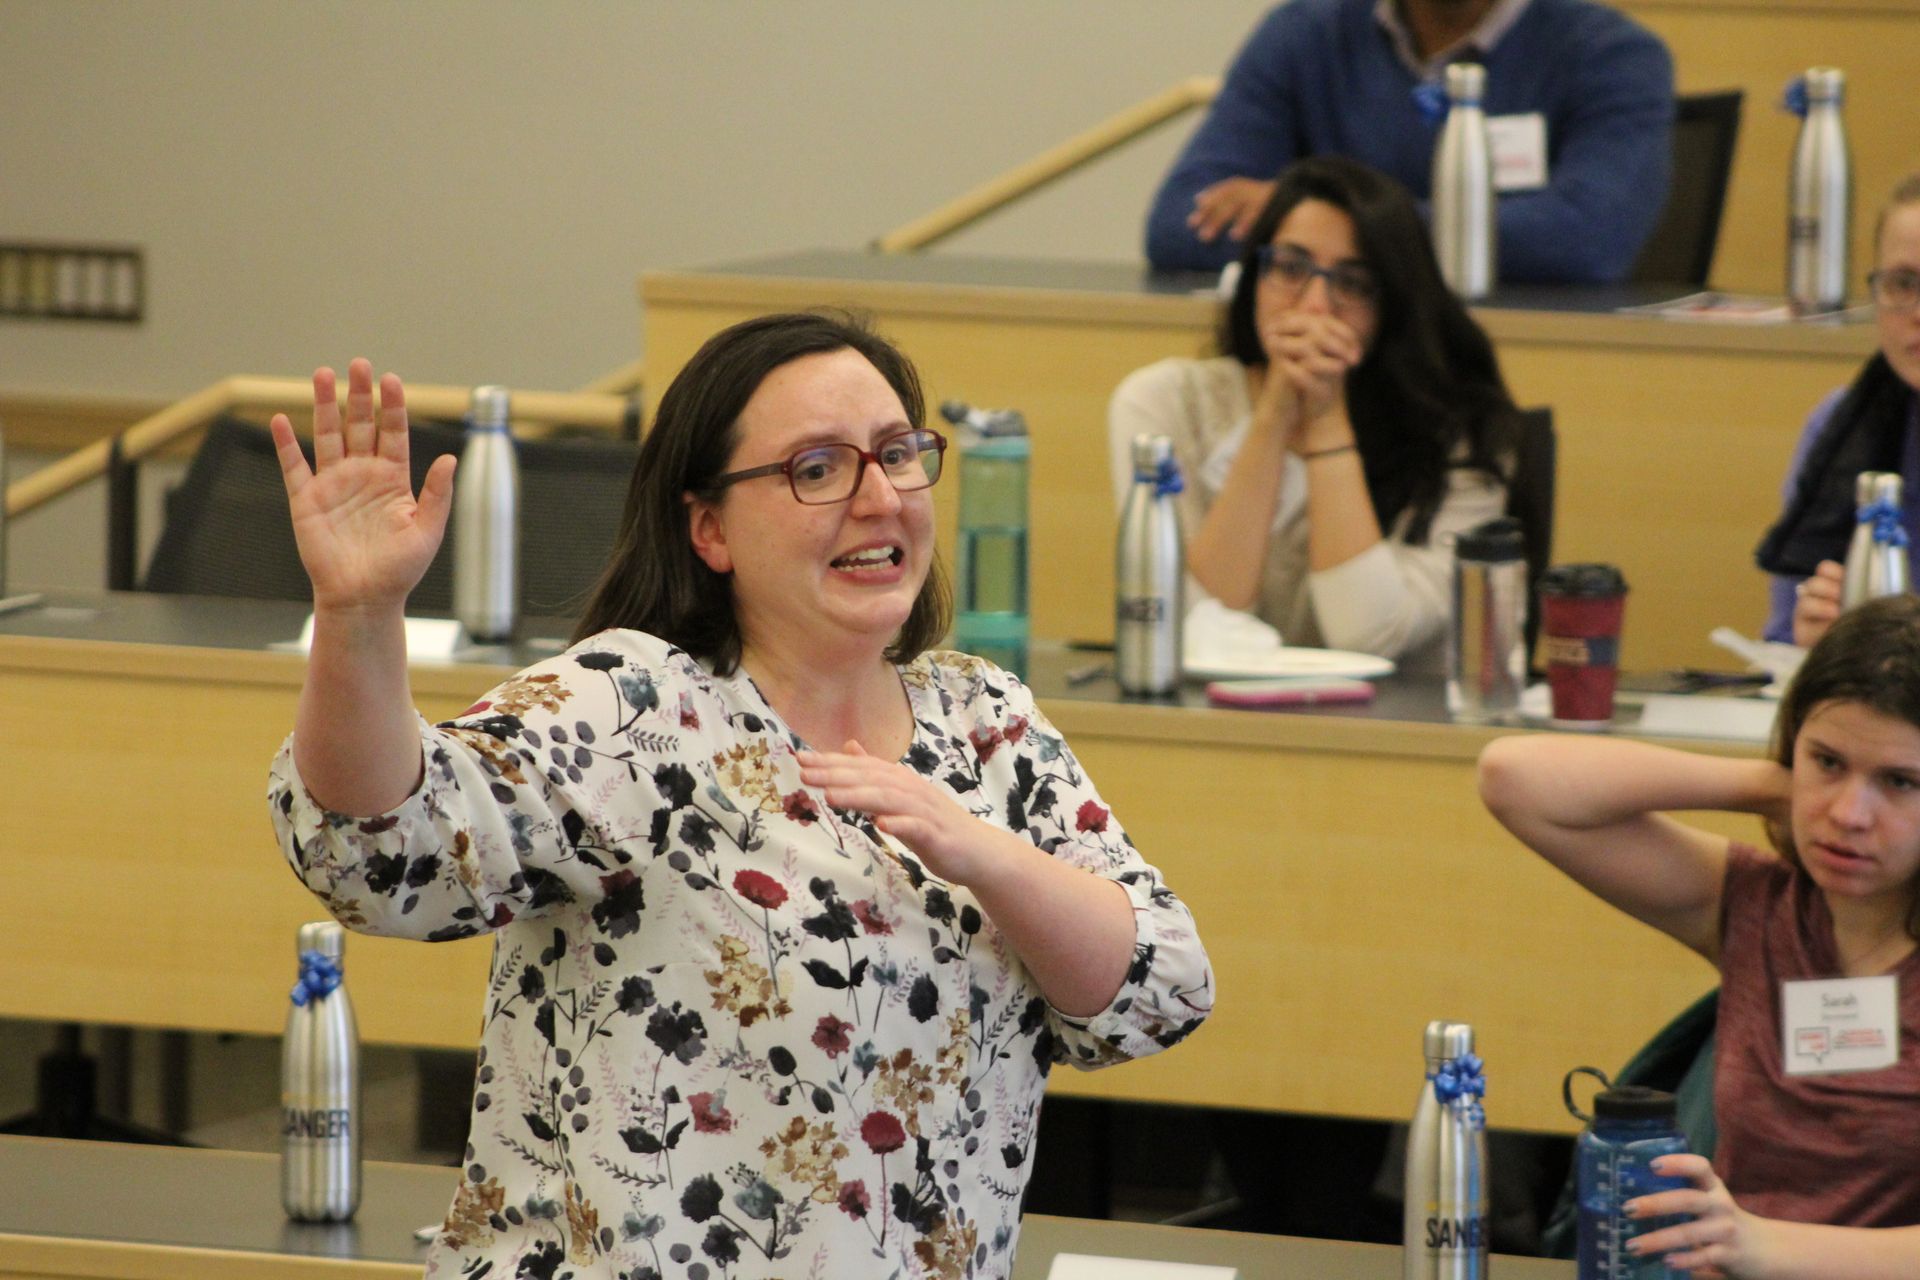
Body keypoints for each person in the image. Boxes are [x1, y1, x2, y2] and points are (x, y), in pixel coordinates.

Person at [264, 314, 1213, 1278]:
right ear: (708, 527)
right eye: (817, 469)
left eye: (897, 454)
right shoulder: (639, 708)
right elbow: (379, 854)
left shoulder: (985, 719)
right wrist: (358, 616)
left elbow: (1160, 990)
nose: (880, 497)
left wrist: (982, 853)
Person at [1478, 594, 1920, 1277]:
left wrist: (1756, 1244)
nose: (1849, 815)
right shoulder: (1760, 905)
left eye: (1899, 781)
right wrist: (1771, 786)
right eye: (1828, 761)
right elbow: (1515, 779)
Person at [1110, 155, 1520, 673]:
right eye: (1290, 267)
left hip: (1398, 736)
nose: (1314, 306)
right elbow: (1201, 626)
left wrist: (1326, 417)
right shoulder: (1162, 405)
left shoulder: (1465, 433)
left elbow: (1366, 636)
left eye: (1351, 283)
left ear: (1392, 304)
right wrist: (1275, 414)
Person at [1143, 0, 1675, 284]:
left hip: (1518, 363)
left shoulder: (1614, 54)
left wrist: (1330, 224)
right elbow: (1180, 224)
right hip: (1338, 358)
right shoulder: (1304, 33)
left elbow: (1588, 238)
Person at [1758, 174, 1920, 648]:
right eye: (1903, 283)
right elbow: (1782, 643)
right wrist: (1821, 652)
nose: (1917, 310)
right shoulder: (1840, 425)